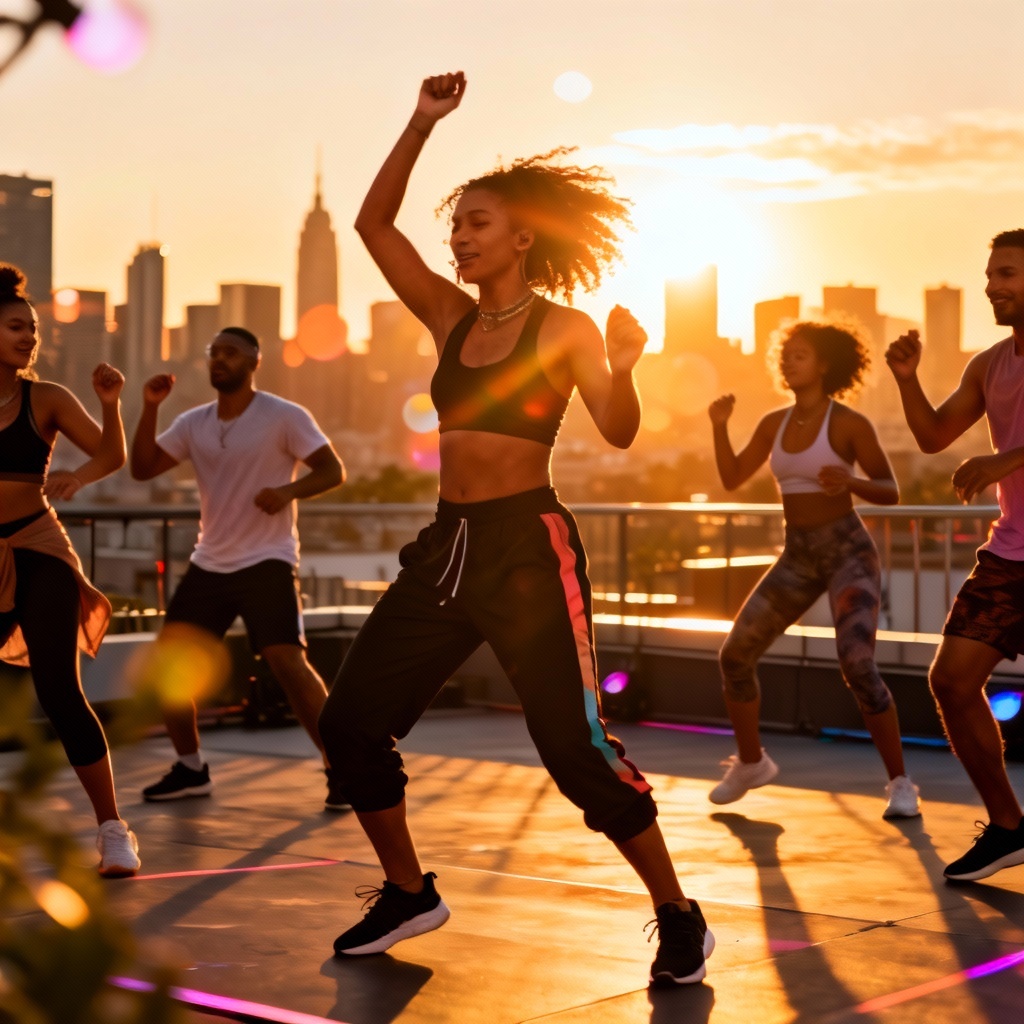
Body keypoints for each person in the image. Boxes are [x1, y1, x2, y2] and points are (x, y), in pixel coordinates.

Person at [317, 71, 713, 988]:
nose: (458, 239)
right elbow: (375, 228)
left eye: (477, 224)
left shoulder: (565, 327)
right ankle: (409, 890)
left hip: (529, 549)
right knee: (350, 722)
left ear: (524, 237)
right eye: (456, 227)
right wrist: (419, 122)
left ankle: (677, 911)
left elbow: (617, 428)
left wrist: (623, 364)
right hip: (447, 545)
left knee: (575, 750)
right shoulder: (450, 317)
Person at [707, 320, 920, 819]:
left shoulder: (848, 424)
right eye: (785, 354)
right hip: (799, 555)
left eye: (799, 354)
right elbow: (734, 477)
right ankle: (751, 763)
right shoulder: (773, 423)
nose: (788, 361)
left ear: (824, 364)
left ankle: (901, 783)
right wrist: (718, 426)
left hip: (849, 551)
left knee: (857, 663)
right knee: (735, 654)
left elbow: (890, 489)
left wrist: (850, 480)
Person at [130, 326, 347, 810]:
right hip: (211, 561)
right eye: (214, 352)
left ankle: (343, 768)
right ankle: (190, 769)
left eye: (230, 352)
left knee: (287, 662)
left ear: (254, 361)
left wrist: (288, 492)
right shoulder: (193, 422)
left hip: (267, 559)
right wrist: (149, 406)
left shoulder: (284, 416)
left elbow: (333, 471)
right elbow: (142, 468)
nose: (219, 360)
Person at [885, 228, 1024, 881]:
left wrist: (1005, 457)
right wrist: (908, 381)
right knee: (951, 681)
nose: (993, 286)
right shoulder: (990, 363)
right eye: (992, 274)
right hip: (1010, 557)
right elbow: (935, 435)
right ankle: (1009, 827)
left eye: (1008, 275)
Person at [0, 262, 140, 877]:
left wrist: (109, 407)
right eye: (14, 327)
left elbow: (113, 454)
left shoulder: (47, 397)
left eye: (31, 328)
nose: (28, 337)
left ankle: (114, 831)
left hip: (39, 547)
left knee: (59, 689)